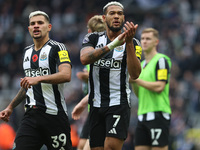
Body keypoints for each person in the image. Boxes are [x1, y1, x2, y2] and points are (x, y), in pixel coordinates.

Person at [0, 10, 72, 150]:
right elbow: (28, 84)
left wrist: (38, 79)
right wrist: (10, 107)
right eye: (33, 24)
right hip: (31, 117)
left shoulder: (58, 48)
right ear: (29, 29)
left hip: (54, 116)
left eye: (40, 23)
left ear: (49, 27)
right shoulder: (27, 52)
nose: (36, 26)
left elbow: (66, 75)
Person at [80, 1, 142, 150]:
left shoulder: (134, 42)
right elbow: (84, 58)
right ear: (104, 18)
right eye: (112, 13)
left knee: (111, 147)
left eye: (120, 14)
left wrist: (127, 44)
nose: (116, 16)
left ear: (123, 18)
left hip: (118, 103)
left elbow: (135, 74)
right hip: (96, 104)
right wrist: (113, 45)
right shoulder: (92, 38)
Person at [130, 28, 171, 150]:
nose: (144, 41)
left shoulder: (161, 60)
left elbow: (160, 86)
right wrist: (132, 82)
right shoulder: (141, 65)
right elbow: (138, 94)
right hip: (142, 115)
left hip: (158, 114)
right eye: (142, 39)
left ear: (156, 42)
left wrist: (137, 80)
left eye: (148, 39)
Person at [73, 15, 106, 150]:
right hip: (92, 108)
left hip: (103, 107)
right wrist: (87, 78)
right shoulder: (89, 55)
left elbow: (103, 85)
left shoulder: (101, 53)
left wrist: (81, 103)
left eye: (89, 30)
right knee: (81, 145)